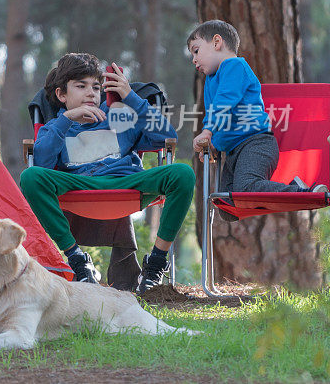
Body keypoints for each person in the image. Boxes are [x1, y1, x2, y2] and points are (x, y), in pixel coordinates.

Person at [19, 53, 195, 294]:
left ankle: (155, 263)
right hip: (81, 186)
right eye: (80, 86)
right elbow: (42, 164)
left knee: (182, 174)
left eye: (95, 87)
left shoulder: (119, 114)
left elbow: (166, 136)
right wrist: (67, 120)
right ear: (61, 95)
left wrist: (130, 97)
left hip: (127, 184)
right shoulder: (57, 127)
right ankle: (77, 260)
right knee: (30, 177)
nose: (91, 93)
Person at [188, 19, 328, 222]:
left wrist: (207, 131)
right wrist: (213, 145)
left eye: (196, 51)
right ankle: (295, 187)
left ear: (217, 42)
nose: (193, 59)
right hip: (233, 152)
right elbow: (223, 119)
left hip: (256, 144)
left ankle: (305, 192)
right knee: (226, 208)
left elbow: (224, 103)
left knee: (245, 188)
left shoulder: (234, 66)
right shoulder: (211, 79)